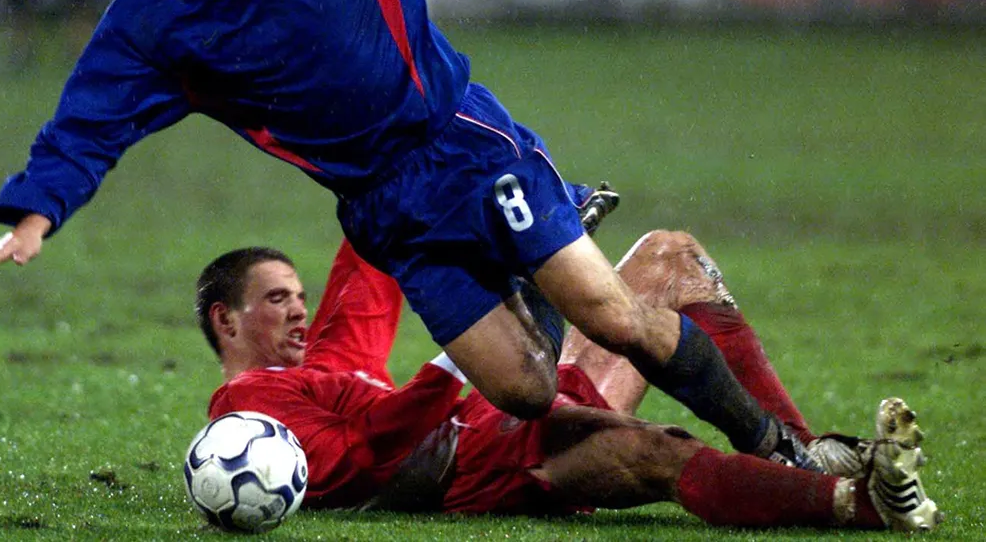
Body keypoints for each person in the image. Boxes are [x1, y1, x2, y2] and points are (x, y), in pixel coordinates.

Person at [0, 0, 820, 470]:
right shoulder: (154, 23)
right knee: (524, 391)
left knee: (614, 320)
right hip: (386, 210)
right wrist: (36, 214)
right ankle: (532, 264)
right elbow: (89, 120)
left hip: (465, 149)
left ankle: (772, 444)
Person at [194, 217, 940, 531]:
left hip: (508, 409)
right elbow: (367, 456)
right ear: (226, 322)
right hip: (489, 467)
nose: (299, 310)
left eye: (298, 295)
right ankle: (858, 505)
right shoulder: (249, 407)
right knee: (654, 451)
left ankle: (800, 452)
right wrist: (465, 353)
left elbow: (375, 241)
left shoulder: (327, 362)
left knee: (670, 256)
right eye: (275, 300)